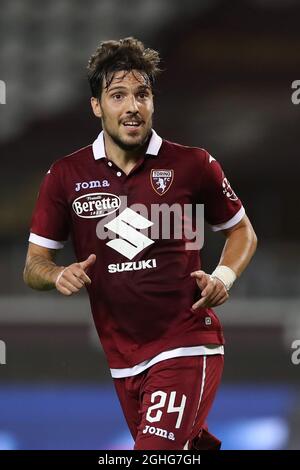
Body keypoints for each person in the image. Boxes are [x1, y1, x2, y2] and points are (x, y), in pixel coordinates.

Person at [23, 37, 257, 450]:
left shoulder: (192, 164)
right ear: (97, 105)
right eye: (117, 95)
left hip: (187, 342)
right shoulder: (64, 176)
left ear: (152, 102)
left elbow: (242, 231)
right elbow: (34, 265)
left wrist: (224, 276)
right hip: (123, 358)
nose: (132, 105)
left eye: (142, 94)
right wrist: (58, 274)